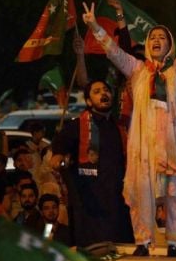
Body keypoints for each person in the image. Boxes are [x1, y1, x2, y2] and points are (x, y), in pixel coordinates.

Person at [82, 0, 176, 256]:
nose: (156, 40)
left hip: (174, 142)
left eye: (161, 38)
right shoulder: (137, 70)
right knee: (141, 192)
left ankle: (174, 244)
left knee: (174, 194)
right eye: (152, 37)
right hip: (143, 143)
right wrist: (94, 26)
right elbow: (113, 51)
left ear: (170, 46)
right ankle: (143, 242)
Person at [51, 79, 134, 247]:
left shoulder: (121, 127)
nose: (103, 94)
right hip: (90, 204)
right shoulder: (79, 125)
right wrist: (58, 156)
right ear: (88, 101)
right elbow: (61, 145)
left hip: (119, 201)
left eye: (106, 90)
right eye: (96, 92)